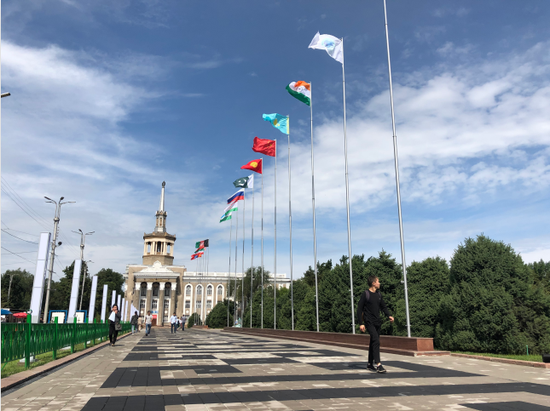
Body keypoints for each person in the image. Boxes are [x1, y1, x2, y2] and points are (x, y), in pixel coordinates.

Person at [357, 276, 394, 373]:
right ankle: (378, 364)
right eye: (378, 281)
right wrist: (361, 323)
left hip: (377, 321)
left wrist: (389, 315)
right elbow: (359, 309)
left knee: (373, 342)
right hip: (369, 321)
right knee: (376, 340)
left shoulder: (378, 294)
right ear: (373, 283)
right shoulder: (366, 294)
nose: (379, 283)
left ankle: (369, 364)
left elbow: (383, 306)